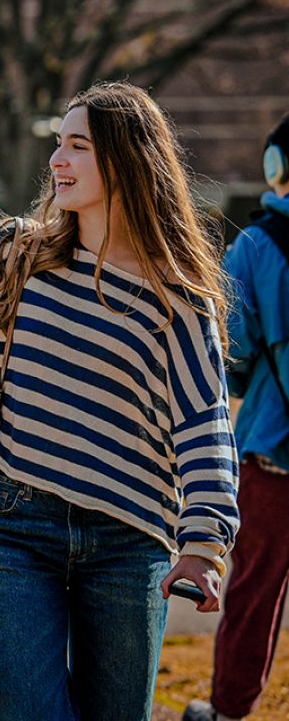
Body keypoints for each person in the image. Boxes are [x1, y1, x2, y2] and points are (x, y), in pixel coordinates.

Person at [0, 81, 240, 721]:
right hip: (13, 523)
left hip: (129, 537)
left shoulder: (182, 303)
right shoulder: (13, 256)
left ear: (128, 159)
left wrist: (202, 544)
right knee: (25, 709)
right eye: (58, 144)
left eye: (77, 146)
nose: (57, 160)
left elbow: (205, 428)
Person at [183, 113, 289, 721]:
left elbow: (233, 354)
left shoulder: (256, 246)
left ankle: (228, 711)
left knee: (255, 591)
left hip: (274, 451)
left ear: (277, 167)